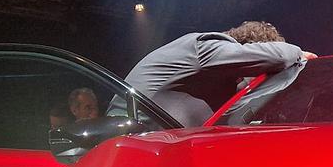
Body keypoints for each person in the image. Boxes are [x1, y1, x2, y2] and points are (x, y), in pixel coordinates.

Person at [109, 20, 317, 127]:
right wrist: (300, 56)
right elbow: (280, 58)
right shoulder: (205, 47)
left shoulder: (210, 82)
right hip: (127, 138)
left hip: (141, 139)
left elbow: (246, 97)